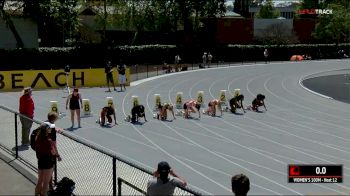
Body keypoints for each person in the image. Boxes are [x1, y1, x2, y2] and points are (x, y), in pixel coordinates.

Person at [34, 123, 60, 196]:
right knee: (46, 182)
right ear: (46, 130)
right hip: (48, 162)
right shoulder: (49, 140)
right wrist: (57, 155)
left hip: (40, 161)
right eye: (49, 128)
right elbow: (53, 152)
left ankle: (36, 194)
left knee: (40, 181)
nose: (50, 129)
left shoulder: (37, 138)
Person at [44, 112, 63, 192]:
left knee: (46, 169)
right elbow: (53, 144)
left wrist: (57, 130)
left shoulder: (45, 123)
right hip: (50, 151)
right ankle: (50, 187)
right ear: (54, 119)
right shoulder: (52, 128)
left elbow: (50, 129)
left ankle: (48, 185)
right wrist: (57, 155)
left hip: (43, 150)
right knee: (50, 169)